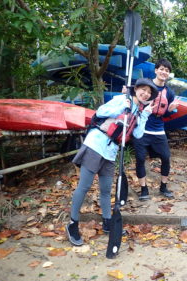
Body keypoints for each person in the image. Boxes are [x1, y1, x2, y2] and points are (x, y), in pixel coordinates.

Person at [66, 78, 158, 246]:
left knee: (106, 190)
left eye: (149, 93)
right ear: (136, 89)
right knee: (84, 186)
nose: (145, 94)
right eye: (143, 90)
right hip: (96, 144)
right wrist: (123, 105)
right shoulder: (123, 100)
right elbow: (101, 112)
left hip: (110, 152)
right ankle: (73, 224)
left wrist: (144, 115)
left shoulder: (138, 111)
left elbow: (137, 135)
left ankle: (107, 222)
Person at [132, 58, 178, 201]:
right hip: (141, 129)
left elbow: (167, 114)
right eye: (162, 69)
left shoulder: (169, 93)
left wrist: (170, 110)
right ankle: (144, 189)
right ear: (156, 70)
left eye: (167, 70)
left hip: (158, 130)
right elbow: (134, 101)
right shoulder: (146, 86)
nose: (164, 72)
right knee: (140, 159)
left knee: (166, 157)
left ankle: (163, 187)